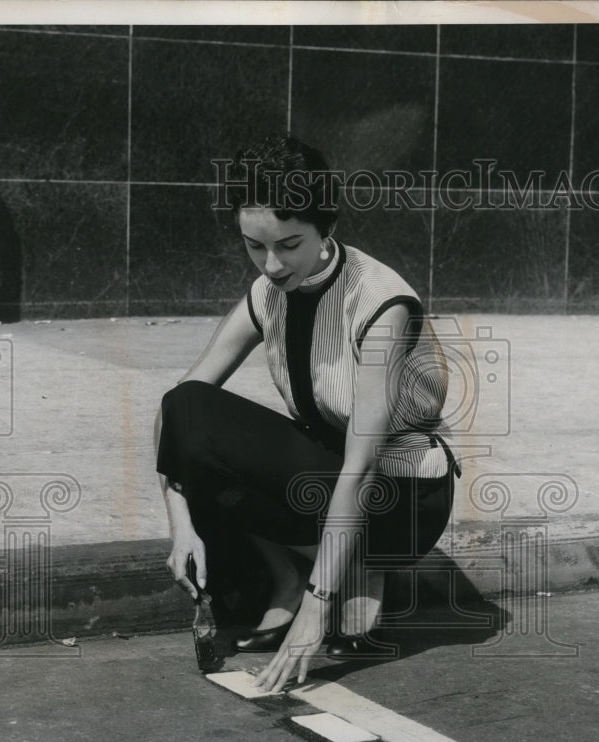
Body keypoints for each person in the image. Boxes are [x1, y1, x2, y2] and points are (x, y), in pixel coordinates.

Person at [155, 134, 458, 694]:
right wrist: (181, 524)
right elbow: (180, 407)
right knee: (191, 410)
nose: (271, 266)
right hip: (329, 476)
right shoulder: (268, 290)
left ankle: (351, 575)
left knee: (290, 460)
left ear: (327, 229)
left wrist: (315, 622)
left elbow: (364, 467)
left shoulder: (381, 306)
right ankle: (290, 577)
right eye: (254, 246)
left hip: (401, 500)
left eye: (289, 245)